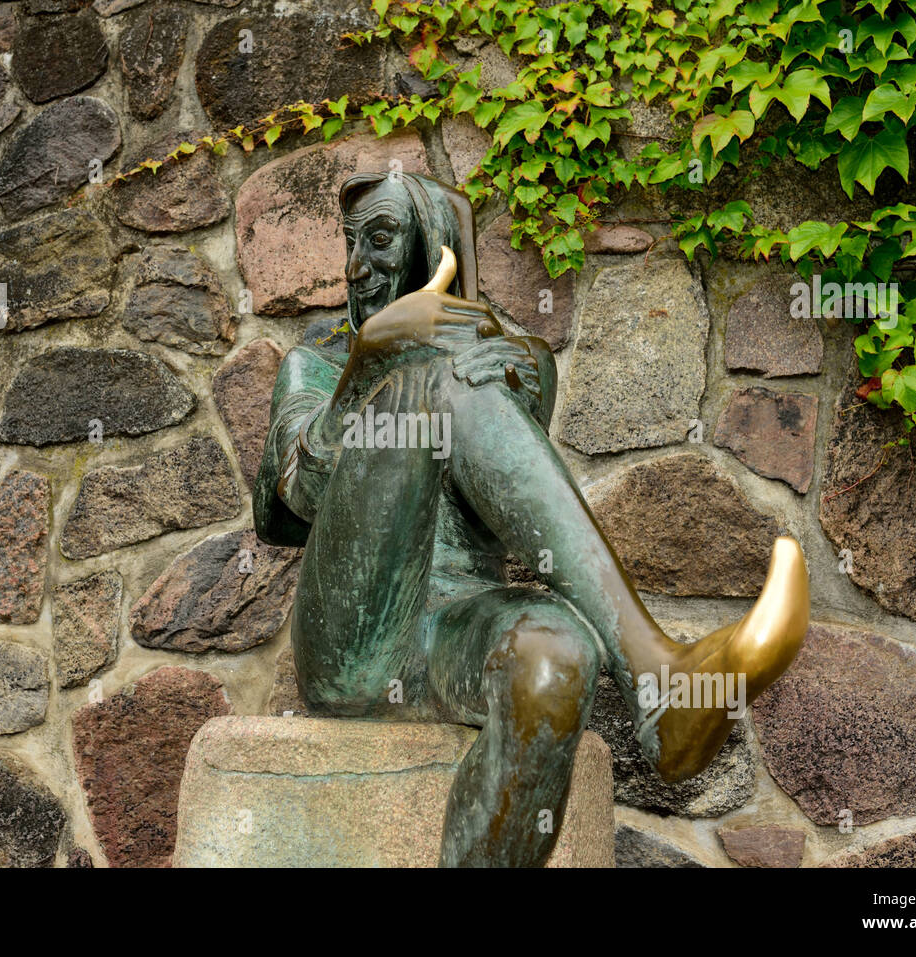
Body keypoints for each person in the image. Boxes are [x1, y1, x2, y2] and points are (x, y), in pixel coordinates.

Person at [255, 171, 809, 867]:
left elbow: (506, 454)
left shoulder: (507, 358)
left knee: (557, 659)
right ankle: (653, 672)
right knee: (429, 382)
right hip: (354, 647)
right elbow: (294, 499)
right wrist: (369, 362)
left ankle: (655, 690)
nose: (357, 265)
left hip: (457, 631)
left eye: (382, 238)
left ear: (435, 248)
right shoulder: (314, 364)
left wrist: (507, 365)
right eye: (350, 244)